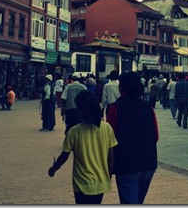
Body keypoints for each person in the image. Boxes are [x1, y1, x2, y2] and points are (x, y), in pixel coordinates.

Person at [48, 90, 117, 204]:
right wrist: (107, 177)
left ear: (80, 110)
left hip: (82, 183)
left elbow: (64, 156)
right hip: (101, 182)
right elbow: (111, 157)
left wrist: (54, 168)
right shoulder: (107, 128)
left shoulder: (74, 132)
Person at [106, 72, 159, 204]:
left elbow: (109, 139)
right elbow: (156, 135)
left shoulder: (115, 108)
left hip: (126, 163)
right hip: (148, 161)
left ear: (122, 87)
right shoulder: (148, 107)